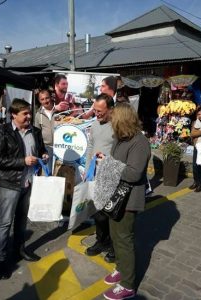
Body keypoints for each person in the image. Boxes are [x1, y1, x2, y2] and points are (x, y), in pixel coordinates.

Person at [0, 98, 48, 280]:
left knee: (22, 219)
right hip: (9, 184)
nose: (29, 117)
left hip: (29, 182)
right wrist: (22, 161)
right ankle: (0, 260)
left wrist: (43, 154)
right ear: (13, 115)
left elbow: (40, 149)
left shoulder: (35, 131)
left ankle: (19, 250)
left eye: (30, 113)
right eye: (25, 114)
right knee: (5, 222)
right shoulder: (3, 131)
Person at [103, 103, 151, 300]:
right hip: (116, 196)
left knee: (124, 239)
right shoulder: (120, 137)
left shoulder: (139, 142)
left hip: (129, 198)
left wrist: (108, 165)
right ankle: (121, 269)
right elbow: (116, 162)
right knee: (115, 237)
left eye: (113, 119)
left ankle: (128, 284)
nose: (110, 122)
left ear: (122, 120)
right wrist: (106, 161)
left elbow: (133, 173)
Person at [85, 93, 116, 263]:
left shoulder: (118, 126)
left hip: (111, 176)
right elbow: (91, 145)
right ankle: (101, 241)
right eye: (95, 110)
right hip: (95, 174)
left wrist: (109, 161)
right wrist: (87, 168)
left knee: (110, 213)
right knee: (98, 213)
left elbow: (123, 153)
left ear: (110, 109)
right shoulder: (95, 124)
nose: (97, 114)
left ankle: (113, 245)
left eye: (100, 111)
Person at [34, 89, 55, 174]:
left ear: (51, 98)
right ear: (39, 101)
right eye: (42, 99)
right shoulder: (38, 115)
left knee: (60, 172)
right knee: (48, 172)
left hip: (60, 146)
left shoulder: (59, 110)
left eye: (47, 98)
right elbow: (37, 134)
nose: (45, 101)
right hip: (47, 147)